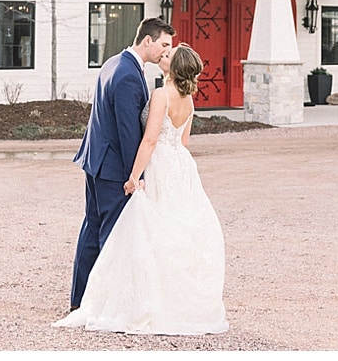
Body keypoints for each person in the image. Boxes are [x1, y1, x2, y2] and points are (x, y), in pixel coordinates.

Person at [55, 44, 228, 335]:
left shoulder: (161, 95)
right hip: (180, 168)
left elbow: (149, 141)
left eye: (169, 55)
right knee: (172, 232)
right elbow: (183, 142)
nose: (164, 55)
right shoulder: (189, 101)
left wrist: (134, 176)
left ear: (174, 68)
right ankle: (173, 300)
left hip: (159, 163)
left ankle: (142, 299)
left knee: (147, 230)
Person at [67, 17, 175, 312]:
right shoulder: (128, 74)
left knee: (92, 228)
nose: (166, 51)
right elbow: (128, 130)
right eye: (164, 44)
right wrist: (134, 175)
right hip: (114, 167)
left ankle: (80, 300)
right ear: (148, 40)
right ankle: (101, 305)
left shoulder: (114, 62)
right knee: (112, 235)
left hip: (95, 160)